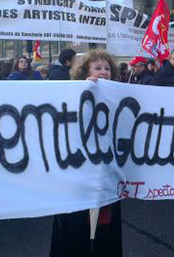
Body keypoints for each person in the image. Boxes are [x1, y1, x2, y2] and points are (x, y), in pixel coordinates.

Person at [50, 50, 122, 257]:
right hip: (77, 174)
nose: (104, 72)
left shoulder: (116, 96)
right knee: (76, 226)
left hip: (106, 172)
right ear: (85, 72)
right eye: (97, 68)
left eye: (107, 68)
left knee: (104, 228)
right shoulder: (73, 94)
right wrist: (84, 91)